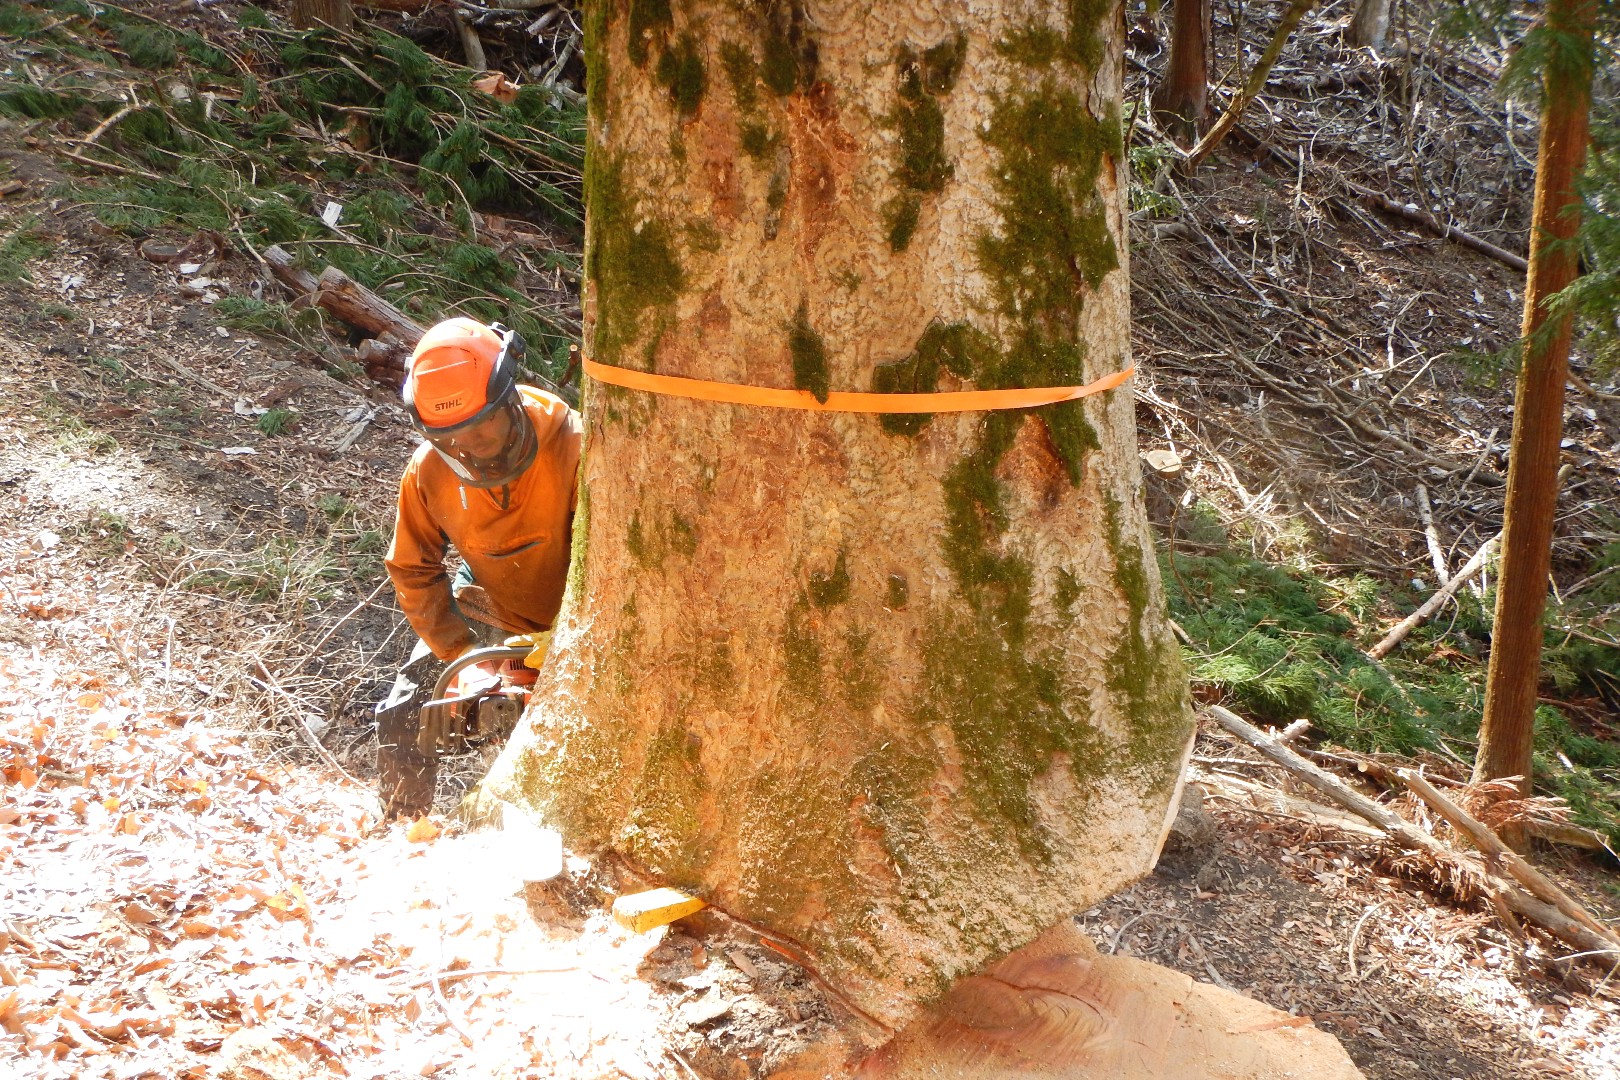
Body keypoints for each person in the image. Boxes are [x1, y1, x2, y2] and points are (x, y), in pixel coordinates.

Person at [374, 317, 582, 818]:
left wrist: (569, 636)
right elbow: (411, 567)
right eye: (454, 438)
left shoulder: (575, 447)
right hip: (490, 597)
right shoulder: (428, 470)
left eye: (483, 424)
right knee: (408, 708)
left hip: (575, 606)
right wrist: (462, 654)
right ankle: (404, 824)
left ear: (509, 394)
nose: (474, 444)